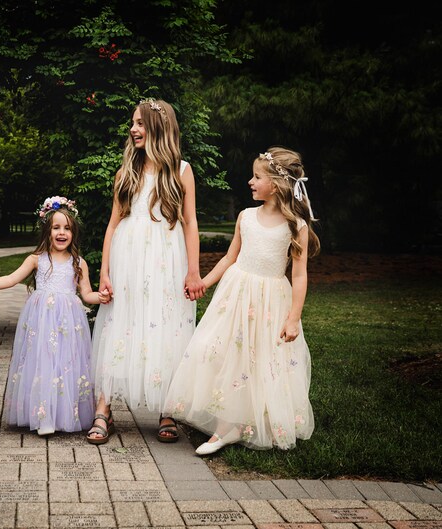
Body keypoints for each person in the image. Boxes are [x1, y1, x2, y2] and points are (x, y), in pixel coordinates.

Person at [163, 146, 320, 454]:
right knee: (219, 351)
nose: (250, 181)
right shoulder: (245, 217)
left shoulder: (295, 226)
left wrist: (293, 318)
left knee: (262, 359)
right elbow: (229, 258)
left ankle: (244, 423)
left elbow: (299, 275)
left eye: (256, 177)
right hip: (236, 296)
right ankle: (227, 423)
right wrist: (204, 282)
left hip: (271, 301)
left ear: (274, 185)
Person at [88, 98, 205, 445]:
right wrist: (104, 272)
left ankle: (167, 409)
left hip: (168, 259)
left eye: (140, 123)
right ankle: (104, 407)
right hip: (128, 258)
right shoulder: (126, 172)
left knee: (167, 325)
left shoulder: (181, 170)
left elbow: (191, 223)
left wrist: (194, 270)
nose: (133, 129)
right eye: (133, 123)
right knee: (119, 322)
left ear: (158, 127)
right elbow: (112, 225)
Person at [0, 196, 110, 436]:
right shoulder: (36, 260)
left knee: (66, 364)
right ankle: (43, 416)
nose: (61, 233)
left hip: (68, 323)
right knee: (41, 363)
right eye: (56, 228)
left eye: (67, 228)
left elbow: (86, 294)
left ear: (73, 233)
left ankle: (64, 413)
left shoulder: (78, 263)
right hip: (41, 321)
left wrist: (101, 296)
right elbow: (12, 278)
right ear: (47, 230)